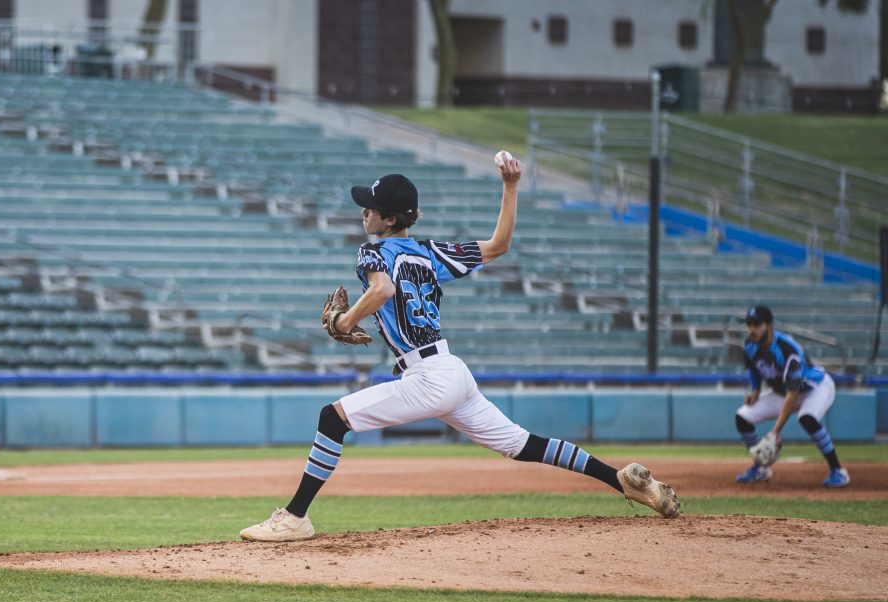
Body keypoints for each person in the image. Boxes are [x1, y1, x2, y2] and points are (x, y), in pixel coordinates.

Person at [240, 155, 680, 542]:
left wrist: (343, 321)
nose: (364, 211)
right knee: (522, 444)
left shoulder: (372, 252)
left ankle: (295, 517)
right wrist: (510, 187)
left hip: (427, 378)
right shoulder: (428, 252)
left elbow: (382, 290)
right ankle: (620, 479)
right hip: (450, 369)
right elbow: (499, 246)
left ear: (390, 219)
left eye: (371, 206)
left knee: (330, 419)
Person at [734, 304, 849, 487]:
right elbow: (755, 371)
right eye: (749, 325)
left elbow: (793, 395)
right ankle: (761, 467)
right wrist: (755, 391)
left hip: (815, 388)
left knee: (806, 417)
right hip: (782, 392)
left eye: (756, 325)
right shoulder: (750, 346)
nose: (751, 330)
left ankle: (838, 470)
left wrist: (774, 434)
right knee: (742, 417)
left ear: (769, 326)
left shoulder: (789, 350)